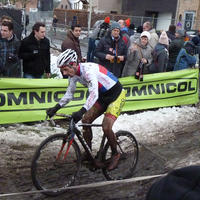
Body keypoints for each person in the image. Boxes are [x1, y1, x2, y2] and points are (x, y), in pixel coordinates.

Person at [46, 49, 126, 171]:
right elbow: (69, 94)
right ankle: (88, 153)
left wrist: (81, 110)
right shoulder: (73, 75)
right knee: (86, 120)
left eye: (66, 69)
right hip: (102, 96)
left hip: (116, 95)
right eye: (63, 70)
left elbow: (93, 94)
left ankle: (116, 153)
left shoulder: (87, 70)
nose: (65, 73)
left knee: (106, 126)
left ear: (73, 64)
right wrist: (56, 108)